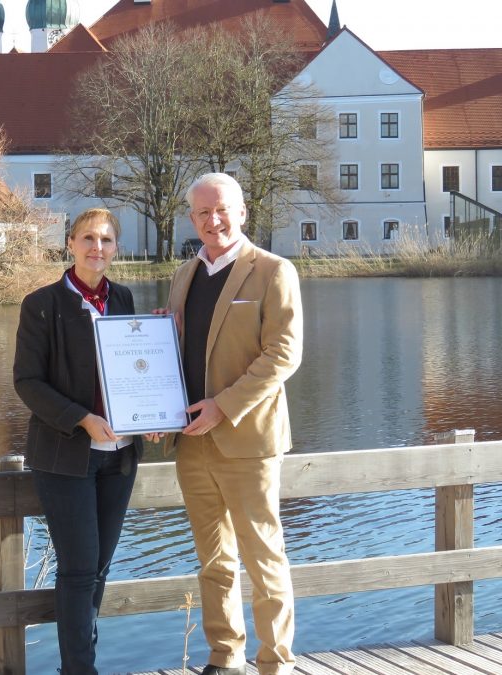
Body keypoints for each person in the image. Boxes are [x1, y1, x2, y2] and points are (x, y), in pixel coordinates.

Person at [164, 173, 303, 675]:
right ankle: (226, 657)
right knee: (214, 562)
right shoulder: (183, 276)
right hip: (192, 444)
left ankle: (275, 661)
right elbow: (180, 351)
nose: (213, 220)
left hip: (248, 440)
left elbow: (284, 354)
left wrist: (223, 405)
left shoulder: (272, 271)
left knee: (264, 559)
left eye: (221, 209)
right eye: (202, 213)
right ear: (192, 218)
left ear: (243, 212)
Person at [13, 208, 144, 674]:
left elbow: (136, 371)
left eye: (106, 240)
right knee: (78, 571)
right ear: (69, 243)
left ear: (116, 247)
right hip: (65, 456)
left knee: (100, 570)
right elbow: (27, 382)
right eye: (88, 238)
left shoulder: (125, 299)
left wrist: (150, 411)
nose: (97, 248)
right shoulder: (42, 304)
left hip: (120, 457)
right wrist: (83, 419)